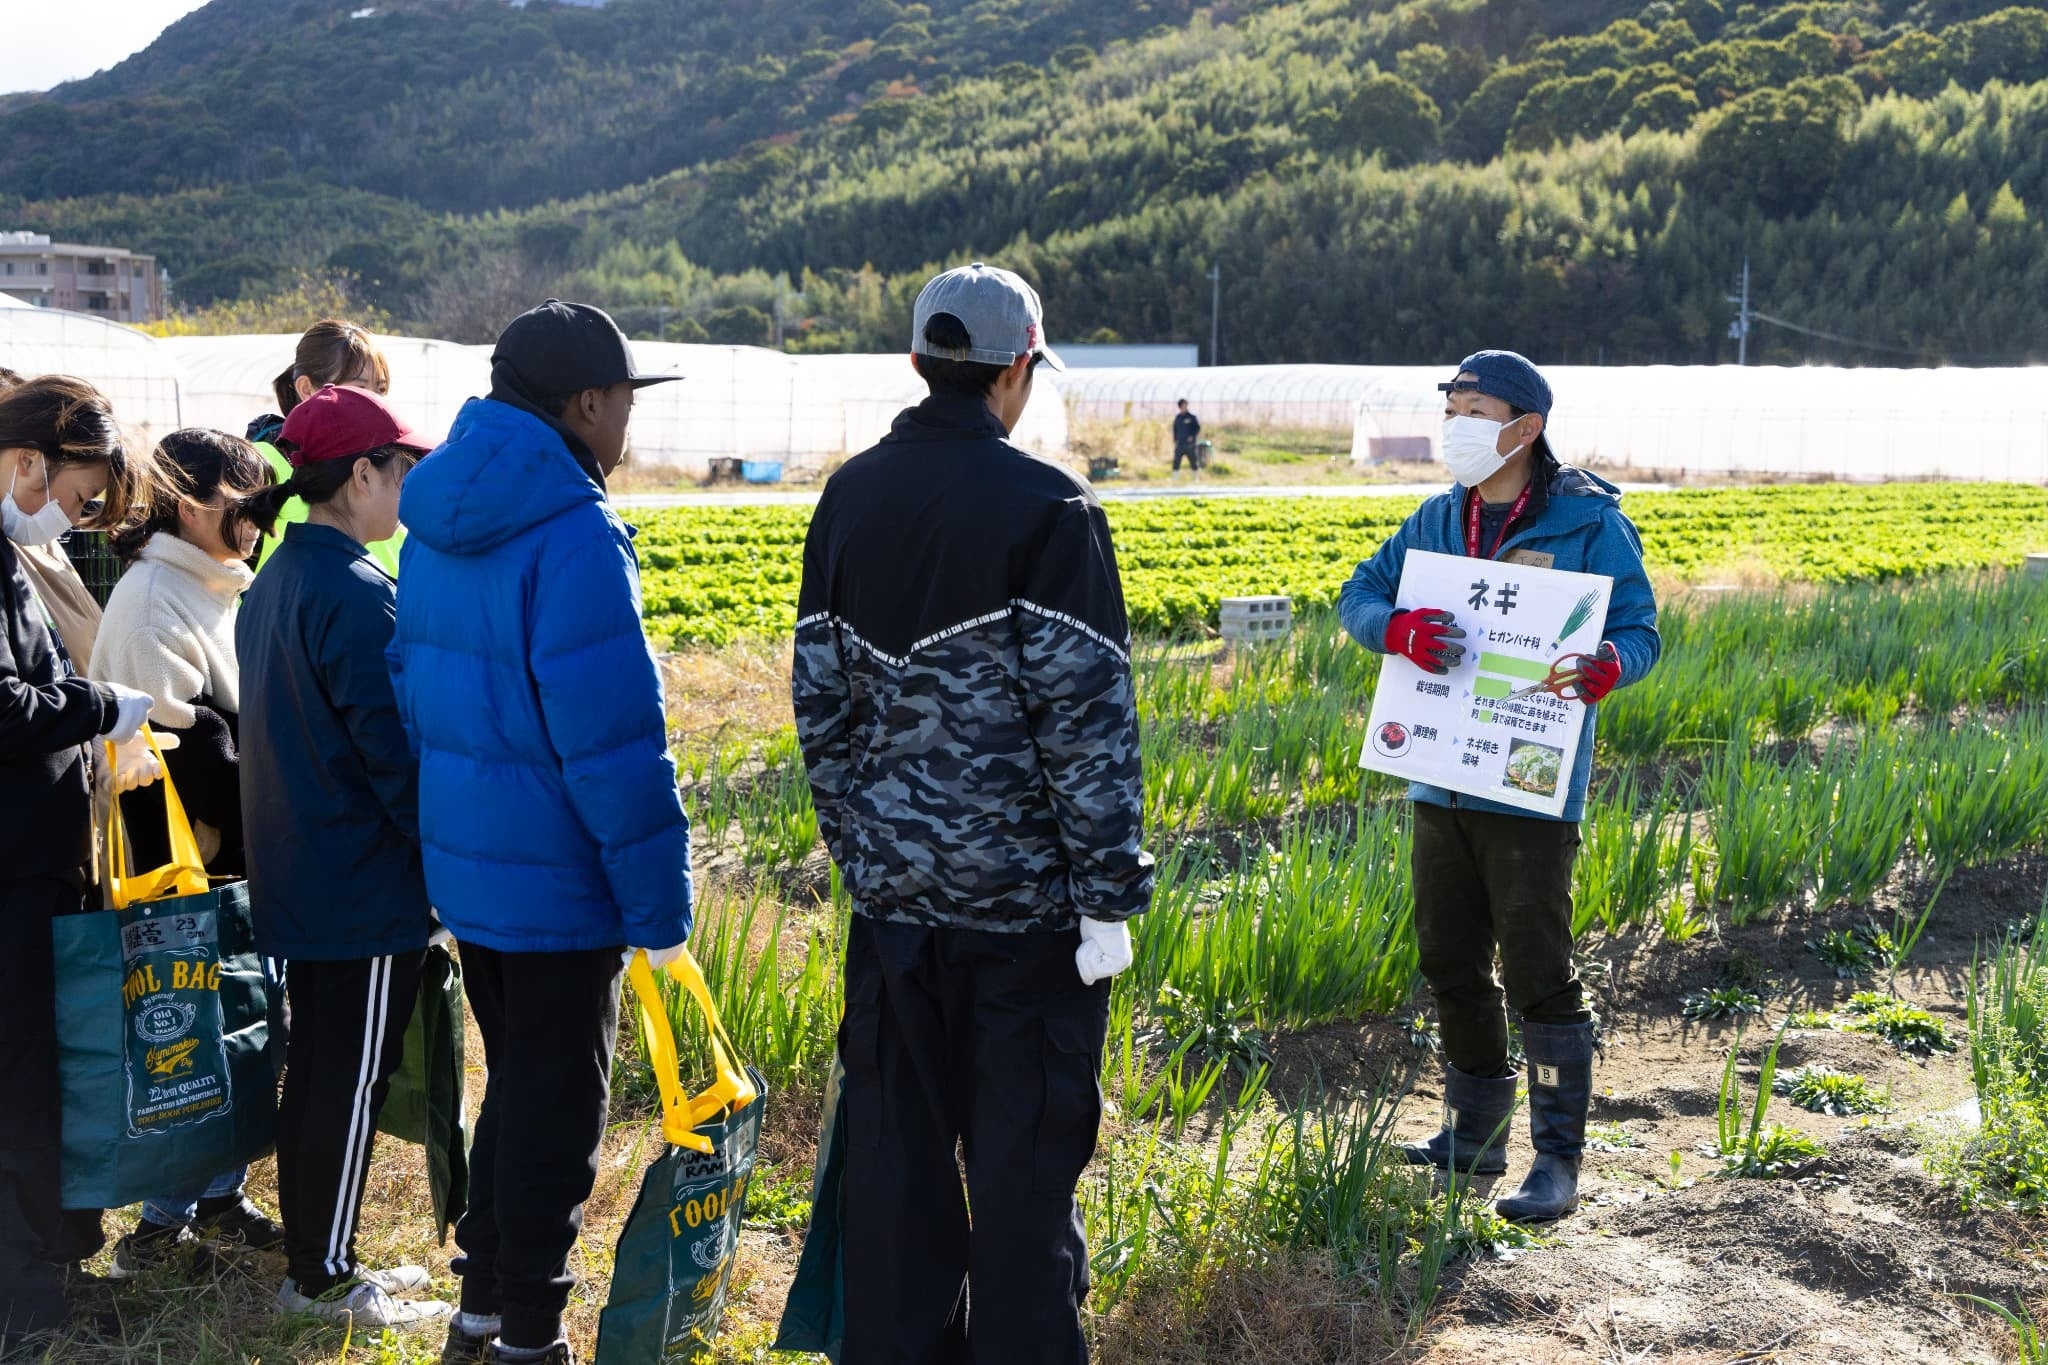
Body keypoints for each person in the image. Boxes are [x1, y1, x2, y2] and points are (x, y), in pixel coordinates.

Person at [791, 263, 1153, 1361]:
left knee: (895, 1182)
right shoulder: (1049, 509)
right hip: (1028, 927)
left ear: (917, 363)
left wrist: (870, 857)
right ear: (1016, 370)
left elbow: (820, 707)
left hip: (896, 920)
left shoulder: (848, 497)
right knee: (1022, 1186)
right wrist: (1106, 899)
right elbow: (1086, 733)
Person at [389, 300, 693, 1365]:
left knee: (514, 1091)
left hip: (473, 874)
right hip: (561, 886)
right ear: (584, 404)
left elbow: (408, 694)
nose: (627, 428)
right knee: (556, 1119)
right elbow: (611, 748)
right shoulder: (571, 532)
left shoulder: (431, 521)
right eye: (622, 405)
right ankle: (529, 1337)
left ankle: (479, 1312)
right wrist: (658, 911)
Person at [1336, 350, 1660, 1224]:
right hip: (1441, 776)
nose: (1456, 429)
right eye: (1451, 410)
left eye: (1473, 411)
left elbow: (1639, 629)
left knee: (1538, 971)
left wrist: (1610, 666)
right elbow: (1357, 594)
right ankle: (1472, 1135)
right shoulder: (1439, 516)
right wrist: (1396, 628)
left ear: (1524, 427)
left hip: (1530, 786)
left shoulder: (1589, 524)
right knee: (1448, 958)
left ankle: (1557, 1159)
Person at [237, 385, 448, 1329]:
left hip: (301, 872)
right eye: (400, 469)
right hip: (360, 886)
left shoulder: (277, 579)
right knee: (345, 1079)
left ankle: (320, 1254)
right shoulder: (358, 594)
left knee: (320, 1066)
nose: (407, 486)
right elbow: (394, 759)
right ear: (361, 475)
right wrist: (443, 867)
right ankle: (321, 1276)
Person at [92, 427, 286, 1273]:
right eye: (241, 507)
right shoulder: (151, 599)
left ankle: (213, 1197)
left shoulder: (210, 585)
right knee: (195, 1035)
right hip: (182, 860)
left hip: (229, 849)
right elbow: (188, 755)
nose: (256, 524)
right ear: (186, 503)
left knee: (242, 1025)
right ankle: (160, 1224)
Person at [0, 377, 157, 1350]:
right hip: (9, 871)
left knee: (37, 1079)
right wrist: (103, 709)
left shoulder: (18, 558)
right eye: (83, 495)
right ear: (27, 465)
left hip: (35, 864)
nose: (85, 516)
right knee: (15, 1084)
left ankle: (48, 1271)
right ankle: (24, 1302)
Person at [249, 319, 404, 576]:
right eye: (360, 388)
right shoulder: (260, 465)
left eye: (381, 390)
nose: (375, 403)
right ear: (307, 389)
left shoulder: (387, 467)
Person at [1172, 397, 1201, 473]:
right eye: (1183, 406)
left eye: (1186, 406)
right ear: (1180, 407)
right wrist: (1175, 440)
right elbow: (1175, 429)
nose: (1184, 407)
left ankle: (1196, 479)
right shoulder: (1178, 418)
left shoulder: (1192, 417)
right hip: (1180, 443)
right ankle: (1175, 479)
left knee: (1193, 461)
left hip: (1190, 444)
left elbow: (1197, 428)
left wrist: (1192, 436)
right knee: (1176, 461)